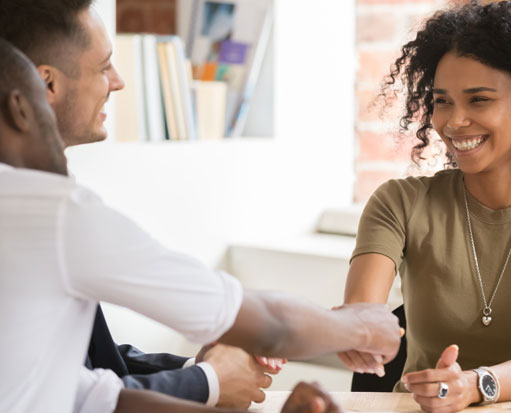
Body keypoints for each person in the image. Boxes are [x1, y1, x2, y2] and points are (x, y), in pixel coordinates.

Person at [0, 39, 401, 413]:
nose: (118, 82)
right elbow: (272, 324)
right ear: (30, 99)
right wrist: (363, 326)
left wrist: (206, 375)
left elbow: (87, 390)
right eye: (104, 66)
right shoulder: (51, 212)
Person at [0, 0, 283, 408]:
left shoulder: (48, 195)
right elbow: (70, 393)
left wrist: (197, 367)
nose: (118, 82)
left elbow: (96, 359)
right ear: (47, 83)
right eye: (104, 66)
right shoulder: (43, 214)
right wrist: (210, 381)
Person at [341, 1, 511, 412]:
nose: (454, 122)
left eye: (479, 100)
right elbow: (362, 311)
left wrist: (476, 385)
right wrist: (354, 332)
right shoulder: (400, 203)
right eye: (442, 101)